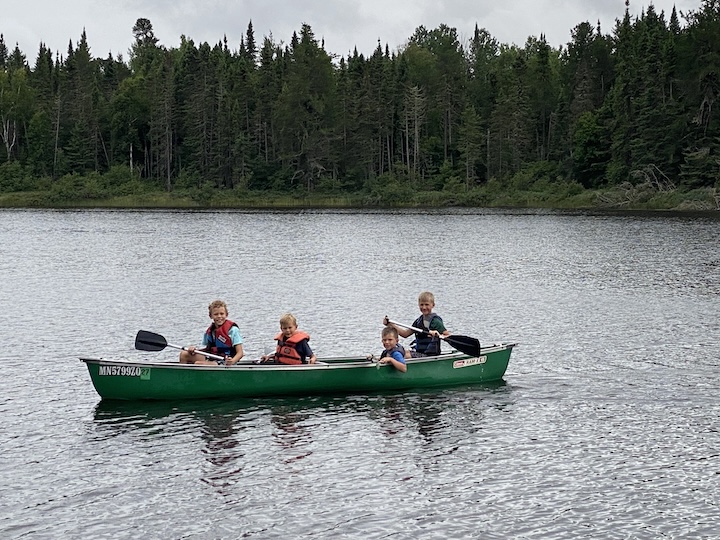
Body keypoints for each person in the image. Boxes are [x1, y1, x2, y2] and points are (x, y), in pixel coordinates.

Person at [383, 291, 449, 357]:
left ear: (433, 305)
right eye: (421, 305)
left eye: (427, 304)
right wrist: (390, 324)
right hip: (419, 352)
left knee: (401, 354)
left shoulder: (436, 321)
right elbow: (405, 334)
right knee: (397, 351)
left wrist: (437, 334)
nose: (424, 307)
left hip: (430, 354)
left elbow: (447, 335)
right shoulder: (418, 321)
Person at [179, 300, 244, 365]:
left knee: (198, 363)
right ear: (211, 316)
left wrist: (232, 361)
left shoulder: (233, 330)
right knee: (184, 354)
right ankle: (181, 374)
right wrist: (194, 350)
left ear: (226, 314)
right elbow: (208, 349)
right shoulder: (210, 331)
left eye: (222, 314)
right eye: (216, 314)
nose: (219, 316)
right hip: (213, 357)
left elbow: (240, 353)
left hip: (226, 360)